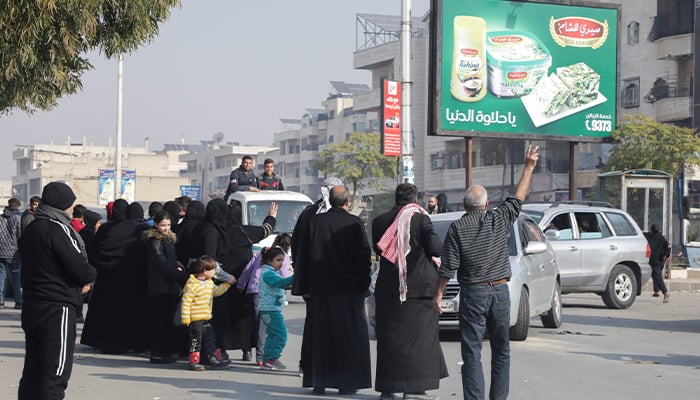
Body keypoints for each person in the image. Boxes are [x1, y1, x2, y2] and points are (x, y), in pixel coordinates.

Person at [436, 144, 539, 400]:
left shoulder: (457, 228)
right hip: (500, 292)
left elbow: (448, 267)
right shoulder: (499, 218)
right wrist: (528, 167)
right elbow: (518, 198)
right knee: (501, 350)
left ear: (464, 204)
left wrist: (438, 296)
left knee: (471, 351)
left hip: (473, 294)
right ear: (486, 204)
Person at [18, 182, 97, 400]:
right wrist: (90, 275)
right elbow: (79, 268)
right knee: (55, 373)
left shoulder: (32, 227)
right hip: (57, 306)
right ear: (64, 204)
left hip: (33, 304)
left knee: (34, 372)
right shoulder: (57, 228)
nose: (73, 209)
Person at [372, 183, 448, 400]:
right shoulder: (420, 219)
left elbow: (378, 249)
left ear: (396, 199)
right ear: (415, 200)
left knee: (388, 340)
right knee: (418, 341)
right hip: (417, 289)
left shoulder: (379, 221)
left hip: (389, 290)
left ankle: (388, 388)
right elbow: (435, 248)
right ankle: (414, 388)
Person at [296, 185, 372, 395]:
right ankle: (346, 383)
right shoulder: (354, 223)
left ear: (330, 201)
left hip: (319, 290)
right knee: (347, 338)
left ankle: (319, 381)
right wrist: (362, 285)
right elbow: (364, 258)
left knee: (320, 336)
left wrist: (304, 287)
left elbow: (304, 256)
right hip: (348, 291)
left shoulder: (315, 223)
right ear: (347, 202)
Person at [291, 176, 344, 378]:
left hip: (312, 281)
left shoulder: (309, 213)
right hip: (331, 282)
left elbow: (297, 247)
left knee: (314, 323)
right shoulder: (323, 214)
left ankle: (310, 365)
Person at [237, 233, 293, 366]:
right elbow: (283, 279)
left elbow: (248, 269)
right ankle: (264, 357)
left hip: (253, 290)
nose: (280, 262)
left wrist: (241, 284)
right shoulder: (278, 260)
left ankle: (255, 353)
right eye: (278, 261)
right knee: (272, 330)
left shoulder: (264, 252)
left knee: (260, 326)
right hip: (268, 302)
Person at [142, 211, 188, 364]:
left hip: (169, 285)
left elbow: (170, 260)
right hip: (160, 285)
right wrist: (178, 274)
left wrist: (177, 268)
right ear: (156, 224)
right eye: (163, 225)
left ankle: (164, 350)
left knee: (167, 320)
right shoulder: (155, 241)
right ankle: (157, 352)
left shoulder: (168, 239)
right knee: (160, 320)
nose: (166, 228)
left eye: (168, 225)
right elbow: (161, 263)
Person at [181, 255, 231, 371]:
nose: (215, 272)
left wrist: (227, 285)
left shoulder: (209, 283)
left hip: (206, 317)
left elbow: (216, 292)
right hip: (195, 318)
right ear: (204, 271)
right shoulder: (192, 284)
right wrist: (185, 317)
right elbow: (186, 302)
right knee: (196, 339)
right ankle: (194, 361)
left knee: (209, 338)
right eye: (213, 269)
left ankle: (209, 358)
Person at [257, 246, 295, 370]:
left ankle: (267, 360)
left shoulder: (271, 272)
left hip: (270, 309)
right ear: (269, 260)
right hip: (270, 310)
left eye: (282, 260)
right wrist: (296, 277)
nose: (281, 263)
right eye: (278, 260)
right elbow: (280, 283)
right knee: (281, 334)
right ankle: (273, 358)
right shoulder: (268, 274)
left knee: (272, 335)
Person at [0, 198, 23, 309]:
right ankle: (18, 301)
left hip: (1, 251)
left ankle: (0, 301)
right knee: (16, 276)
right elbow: (20, 235)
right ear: (18, 206)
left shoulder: (0, 218)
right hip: (14, 252)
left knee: (1, 275)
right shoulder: (18, 218)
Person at [646, 224, 671, 303]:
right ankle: (656, 291)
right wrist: (667, 255)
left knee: (657, 276)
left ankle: (665, 292)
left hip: (655, 261)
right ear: (659, 230)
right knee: (655, 274)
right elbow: (668, 247)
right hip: (660, 260)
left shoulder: (649, 237)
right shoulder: (662, 238)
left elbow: (643, 234)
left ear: (652, 230)